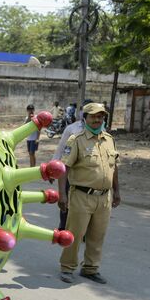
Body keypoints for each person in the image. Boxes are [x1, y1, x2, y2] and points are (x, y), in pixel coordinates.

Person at [57, 102, 121, 284]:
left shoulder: (109, 139)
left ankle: (91, 268)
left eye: (100, 116)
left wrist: (117, 191)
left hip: (104, 197)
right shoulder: (76, 140)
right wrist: (62, 194)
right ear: (84, 118)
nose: (97, 119)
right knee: (75, 233)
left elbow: (114, 167)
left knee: (97, 235)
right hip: (81, 196)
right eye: (93, 116)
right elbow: (64, 168)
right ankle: (67, 267)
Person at [51, 111, 86, 230]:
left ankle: (82, 231)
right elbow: (60, 149)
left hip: (86, 176)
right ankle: (63, 226)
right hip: (69, 172)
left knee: (83, 204)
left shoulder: (100, 130)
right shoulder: (71, 129)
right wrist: (52, 168)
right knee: (65, 200)